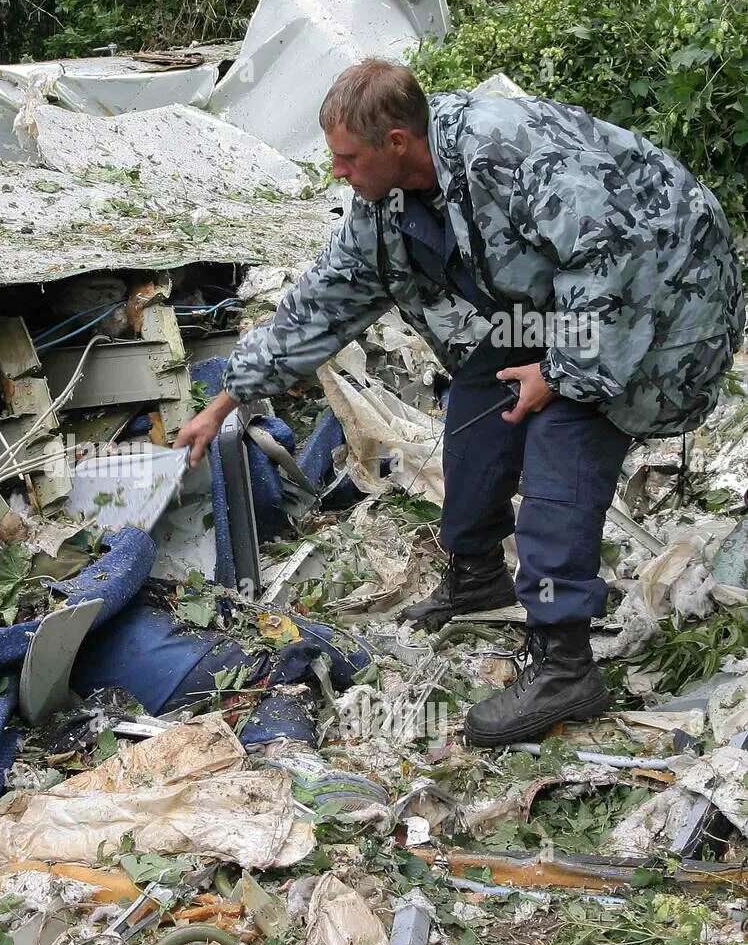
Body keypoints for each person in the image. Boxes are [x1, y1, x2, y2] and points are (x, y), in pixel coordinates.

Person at [176, 59, 744, 747]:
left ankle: (564, 661)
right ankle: (476, 574)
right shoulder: (387, 204)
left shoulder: (504, 150)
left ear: (395, 143)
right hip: (555, 310)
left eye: (347, 157)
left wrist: (560, 372)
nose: (337, 172)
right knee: (483, 389)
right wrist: (225, 399)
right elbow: (321, 302)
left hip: (662, 291)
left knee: (565, 434)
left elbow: (612, 255)